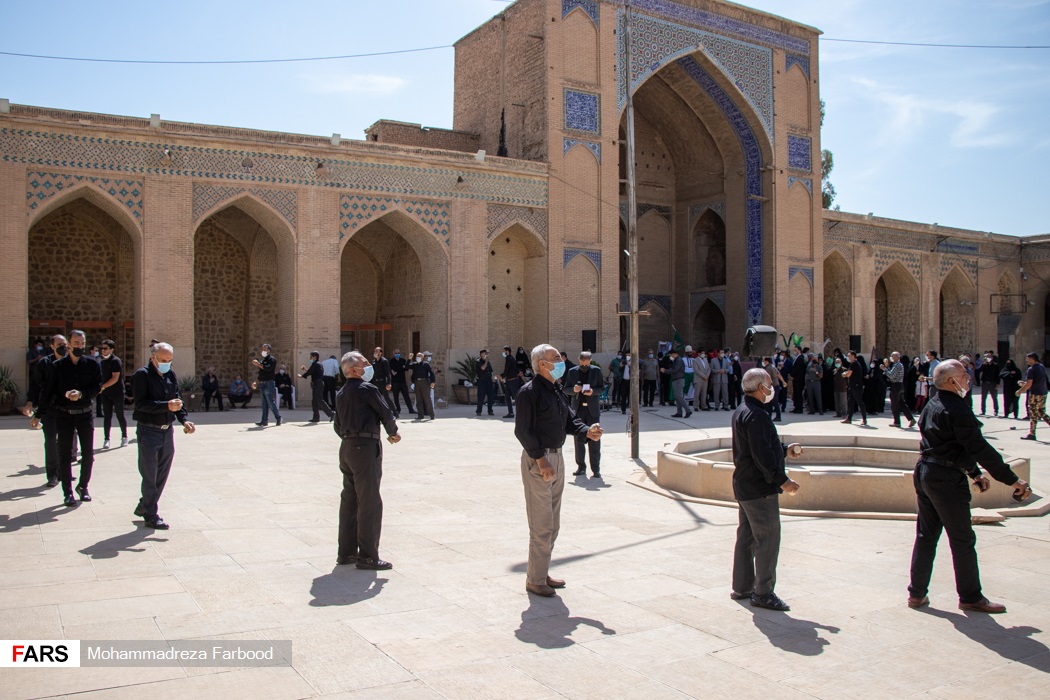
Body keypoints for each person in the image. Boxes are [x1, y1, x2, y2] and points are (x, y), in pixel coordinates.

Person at [908, 360, 1031, 613]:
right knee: (962, 538)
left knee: (926, 535)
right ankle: (971, 596)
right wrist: (1012, 480)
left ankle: (916, 594)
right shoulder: (958, 408)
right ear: (952, 381)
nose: (968, 379)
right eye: (964, 375)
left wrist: (974, 473)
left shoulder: (933, 404)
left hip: (925, 473)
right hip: (945, 479)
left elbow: (953, 445)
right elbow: (978, 448)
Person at [514, 344, 603, 596]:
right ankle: (535, 580)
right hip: (539, 460)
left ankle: (540, 572)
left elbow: (570, 421)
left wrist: (588, 431)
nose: (561, 361)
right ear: (542, 364)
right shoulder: (529, 392)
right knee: (542, 524)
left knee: (553, 524)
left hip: (558, 458)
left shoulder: (556, 391)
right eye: (555, 358)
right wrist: (541, 460)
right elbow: (523, 431)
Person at [731, 368, 803, 611]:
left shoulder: (743, 410)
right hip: (759, 489)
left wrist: (784, 449)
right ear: (761, 388)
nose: (772, 388)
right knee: (768, 539)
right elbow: (763, 457)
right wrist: (783, 481)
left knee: (747, 537)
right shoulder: (757, 416)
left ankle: (742, 586)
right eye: (769, 384)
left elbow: (759, 446)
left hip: (744, 485)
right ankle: (762, 592)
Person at [333, 351, 401, 570]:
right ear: (353, 370)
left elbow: (337, 425)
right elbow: (386, 411)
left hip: (347, 448)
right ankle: (368, 556)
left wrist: (349, 438)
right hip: (365, 448)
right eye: (364, 363)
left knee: (350, 500)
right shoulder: (366, 389)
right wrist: (393, 432)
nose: (368, 366)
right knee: (369, 501)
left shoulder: (341, 392)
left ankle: (346, 553)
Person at [131, 342, 195, 530]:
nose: (167, 364)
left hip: (167, 431)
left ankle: (145, 505)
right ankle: (151, 514)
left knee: (162, 473)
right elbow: (140, 404)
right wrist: (165, 405)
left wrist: (184, 420)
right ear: (153, 358)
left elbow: (178, 400)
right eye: (163, 360)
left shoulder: (170, 375)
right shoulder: (141, 376)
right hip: (148, 430)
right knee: (149, 474)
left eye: (170, 360)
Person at [39, 329, 102, 507]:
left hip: (84, 414)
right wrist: (39, 414)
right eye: (76, 344)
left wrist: (81, 394)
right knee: (65, 455)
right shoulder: (57, 366)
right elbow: (49, 391)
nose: (80, 347)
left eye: (82, 344)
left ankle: (83, 486)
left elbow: (97, 387)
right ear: (68, 344)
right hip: (64, 414)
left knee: (88, 454)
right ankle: (67, 492)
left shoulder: (92, 365)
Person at [24, 334, 68, 488]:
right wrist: (30, 402)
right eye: (59, 344)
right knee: (50, 440)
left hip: (67, 408)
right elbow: (35, 384)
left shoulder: (71, 362)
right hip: (49, 408)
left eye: (65, 344)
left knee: (64, 441)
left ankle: (64, 472)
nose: (63, 347)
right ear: (52, 346)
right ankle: (52, 475)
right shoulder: (44, 363)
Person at [566, 351, 604, 477]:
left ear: (590, 361)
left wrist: (592, 391)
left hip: (592, 411)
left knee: (595, 438)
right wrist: (574, 390)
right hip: (578, 410)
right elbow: (566, 389)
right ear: (579, 360)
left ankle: (596, 468)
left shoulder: (596, 371)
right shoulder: (572, 372)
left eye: (587, 364)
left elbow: (602, 388)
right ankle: (581, 467)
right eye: (582, 363)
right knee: (579, 439)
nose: (584, 366)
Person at [98, 339, 128, 449]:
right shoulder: (102, 362)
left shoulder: (116, 361)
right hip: (106, 393)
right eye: (102, 349)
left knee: (120, 414)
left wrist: (102, 386)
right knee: (107, 416)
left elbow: (115, 378)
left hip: (117, 392)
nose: (103, 351)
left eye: (105, 349)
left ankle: (124, 436)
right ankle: (107, 439)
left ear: (111, 349)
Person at [1015, 352, 1050, 440]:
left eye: (1027, 359)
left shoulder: (1031, 369)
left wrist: (1019, 391)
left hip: (1035, 394)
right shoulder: (1042, 367)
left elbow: (1029, 383)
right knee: (1040, 412)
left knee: (1033, 414)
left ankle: (1032, 433)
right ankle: (1032, 433)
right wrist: (1024, 384)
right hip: (1043, 393)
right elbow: (1036, 381)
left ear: (1032, 359)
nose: (1026, 361)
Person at [252, 343, 282, 427]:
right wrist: (256, 382)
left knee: (270, 402)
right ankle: (264, 420)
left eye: (265, 349)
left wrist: (257, 364)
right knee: (264, 403)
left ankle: (278, 418)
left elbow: (268, 369)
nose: (263, 351)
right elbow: (261, 373)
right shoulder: (263, 360)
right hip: (262, 383)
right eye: (262, 349)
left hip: (269, 383)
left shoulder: (272, 360)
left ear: (269, 350)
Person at [301, 351, 334, 423]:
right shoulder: (317, 364)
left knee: (319, 400)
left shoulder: (316, 364)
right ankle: (316, 417)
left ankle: (331, 413)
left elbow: (310, 372)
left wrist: (302, 376)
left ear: (315, 357)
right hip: (317, 383)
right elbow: (312, 371)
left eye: (311, 356)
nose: (310, 358)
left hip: (318, 384)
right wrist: (306, 370)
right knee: (314, 401)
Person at [886, 351, 916, 429]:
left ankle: (897, 422)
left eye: (893, 356)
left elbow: (891, 376)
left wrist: (884, 369)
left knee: (895, 405)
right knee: (902, 403)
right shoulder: (898, 365)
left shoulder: (897, 365)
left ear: (897, 357)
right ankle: (911, 419)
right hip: (899, 385)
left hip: (896, 386)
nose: (891, 358)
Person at [842, 350, 868, 426]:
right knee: (851, 403)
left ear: (853, 356)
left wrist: (844, 374)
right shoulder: (852, 364)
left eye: (849, 356)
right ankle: (849, 418)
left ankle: (864, 419)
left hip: (857, 387)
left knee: (860, 402)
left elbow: (849, 374)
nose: (848, 357)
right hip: (852, 386)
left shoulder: (855, 364)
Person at [388, 349, 414, 417]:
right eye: (396, 353)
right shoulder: (391, 361)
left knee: (406, 396)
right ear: (393, 353)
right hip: (395, 382)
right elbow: (394, 369)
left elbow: (406, 368)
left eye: (398, 353)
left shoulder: (403, 360)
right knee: (396, 397)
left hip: (403, 381)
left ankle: (411, 409)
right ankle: (398, 409)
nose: (397, 354)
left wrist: (401, 368)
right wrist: (401, 367)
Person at [411, 351, 436, 420]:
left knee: (427, 399)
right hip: (417, 382)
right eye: (417, 356)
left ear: (422, 358)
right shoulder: (414, 364)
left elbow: (431, 373)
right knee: (418, 400)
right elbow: (407, 366)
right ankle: (420, 415)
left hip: (424, 382)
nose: (418, 358)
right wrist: (409, 359)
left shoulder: (426, 364)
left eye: (419, 356)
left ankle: (431, 415)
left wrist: (433, 382)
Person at [668, 348, 692, 418]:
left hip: (679, 380)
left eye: (671, 355)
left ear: (674, 354)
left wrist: (665, 371)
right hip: (675, 380)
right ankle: (679, 412)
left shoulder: (678, 360)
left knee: (679, 396)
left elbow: (675, 370)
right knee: (677, 396)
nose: (670, 356)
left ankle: (688, 410)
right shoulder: (675, 360)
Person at [977, 351, 1001, 417]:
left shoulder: (995, 365)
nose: (988, 358)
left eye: (989, 356)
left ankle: (996, 411)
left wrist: (997, 384)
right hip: (985, 383)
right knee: (983, 398)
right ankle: (983, 411)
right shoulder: (984, 365)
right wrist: (983, 363)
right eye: (987, 357)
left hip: (992, 383)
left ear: (992, 357)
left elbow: (997, 375)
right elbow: (978, 371)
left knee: (994, 398)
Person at [500, 345, 521, 418]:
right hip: (509, 381)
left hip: (513, 381)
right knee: (507, 397)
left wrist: (501, 376)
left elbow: (507, 369)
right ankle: (510, 413)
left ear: (507, 351)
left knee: (516, 397)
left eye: (504, 351)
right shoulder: (509, 358)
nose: (503, 352)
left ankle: (520, 412)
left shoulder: (509, 359)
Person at [371, 347, 394, 411]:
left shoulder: (384, 361)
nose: (375, 352)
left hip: (382, 382)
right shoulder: (373, 361)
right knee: (376, 398)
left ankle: (394, 412)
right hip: (375, 382)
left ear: (381, 353)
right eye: (375, 351)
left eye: (377, 351)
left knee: (386, 397)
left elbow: (387, 373)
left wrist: (388, 383)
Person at [761, 357, 784, 422]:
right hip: (776, 385)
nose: (763, 362)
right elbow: (778, 374)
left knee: (772, 402)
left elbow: (768, 378)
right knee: (771, 402)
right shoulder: (773, 366)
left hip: (772, 386)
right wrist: (783, 381)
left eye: (764, 361)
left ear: (767, 361)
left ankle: (776, 416)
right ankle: (770, 415)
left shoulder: (768, 368)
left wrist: (766, 387)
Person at [475, 349, 496, 416]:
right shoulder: (478, 361)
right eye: (484, 354)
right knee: (481, 396)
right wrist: (486, 361)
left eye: (486, 354)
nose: (486, 355)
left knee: (490, 396)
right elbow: (483, 368)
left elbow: (491, 371)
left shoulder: (488, 362)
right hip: (482, 381)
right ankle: (479, 411)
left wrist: (493, 380)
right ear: (481, 354)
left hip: (489, 381)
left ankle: (490, 411)